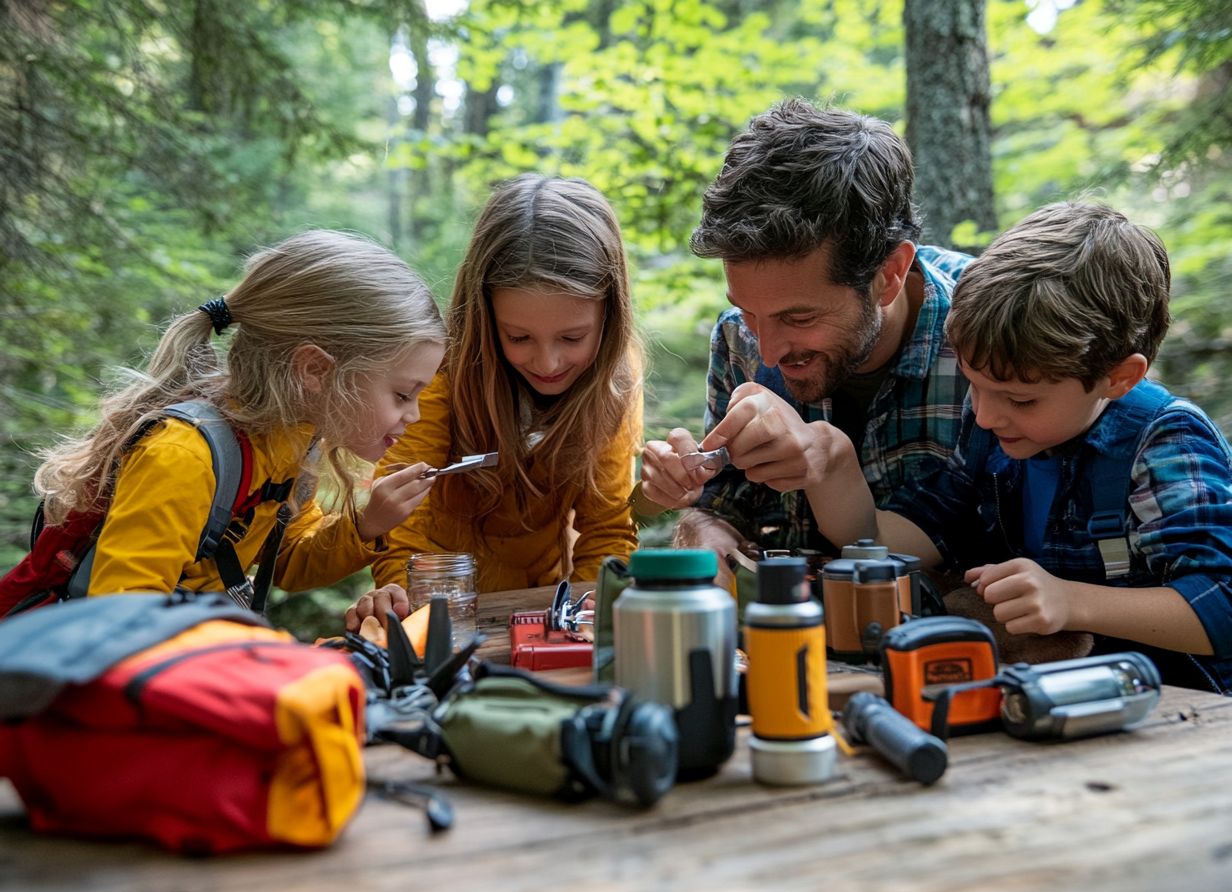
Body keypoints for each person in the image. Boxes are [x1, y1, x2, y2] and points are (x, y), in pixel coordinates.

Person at [807, 201, 1232, 692]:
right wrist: (828, 470)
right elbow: (915, 533)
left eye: (1021, 399)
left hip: (1178, 718)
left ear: (1118, 377)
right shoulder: (995, 426)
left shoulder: (1162, 441)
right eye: (974, 385)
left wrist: (1072, 601)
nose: (986, 414)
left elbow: (1221, 601)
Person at [639, 98, 973, 581]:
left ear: (890, 274)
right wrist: (699, 529)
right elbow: (720, 506)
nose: (767, 349)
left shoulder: (990, 338)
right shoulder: (739, 338)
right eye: (749, 310)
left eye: (798, 317)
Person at [22, 230, 446, 602]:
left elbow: (288, 561)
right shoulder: (182, 456)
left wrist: (367, 523)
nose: (414, 414)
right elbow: (121, 617)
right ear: (316, 370)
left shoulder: (292, 439)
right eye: (403, 394)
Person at [348, 174, 642, 628]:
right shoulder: (438, 376)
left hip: (544, 615)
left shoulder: (611, 387)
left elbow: (606, 532)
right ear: (485, 316)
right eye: (518, 337)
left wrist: (579, 625)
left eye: (572, 336)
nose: (548, 362)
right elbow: (403, 522)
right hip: (437, 610)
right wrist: (411, 606)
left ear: (610, 315)